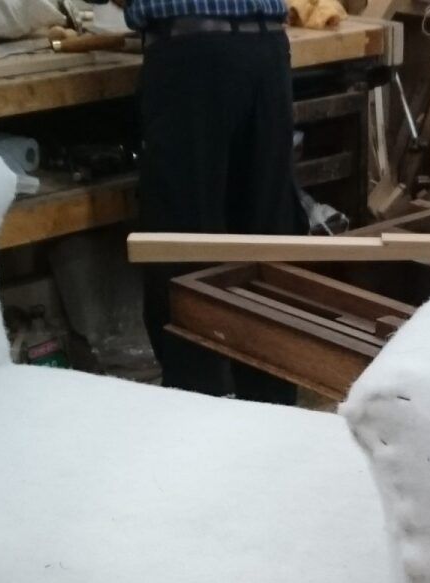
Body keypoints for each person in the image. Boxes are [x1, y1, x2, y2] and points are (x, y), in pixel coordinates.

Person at [126, 0, 303, 404]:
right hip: (267, 49)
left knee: (182, 241)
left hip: (191, 57)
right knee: (265, 242)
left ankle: (196, 411)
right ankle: (272, 413)